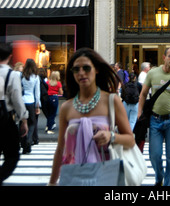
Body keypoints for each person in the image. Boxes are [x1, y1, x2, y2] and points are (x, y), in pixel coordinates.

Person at [48, 48, 135, 186]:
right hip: (73, 175)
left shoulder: (111, 101)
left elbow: (130, 140)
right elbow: (60, 149)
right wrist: (52, 183)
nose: (81, 73)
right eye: (76, 69)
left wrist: (111, 136)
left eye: (86, 68)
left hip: (105, 175)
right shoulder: (66, 107)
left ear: (97, 70)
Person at [137, 47, 170, 186]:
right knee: (154, 155)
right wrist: (139, 112)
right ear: (164, 57)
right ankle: (159, 177)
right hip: (155, 120)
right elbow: (143, 94)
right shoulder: (153, 73)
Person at [0, 43, 28, 186]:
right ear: (10, 56)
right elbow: (17, 99)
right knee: (12, 155)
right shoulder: (11, 74)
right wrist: (23, 119)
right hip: (4, 118)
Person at [21, 59, 40, 154]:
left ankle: (24, 144)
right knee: (32, 123)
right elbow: (37, 93)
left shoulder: (22, 76)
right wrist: (38, 105)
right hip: (31, 101)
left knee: (22, 123)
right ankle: (29, 140)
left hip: (22, 101)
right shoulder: (36, 77)